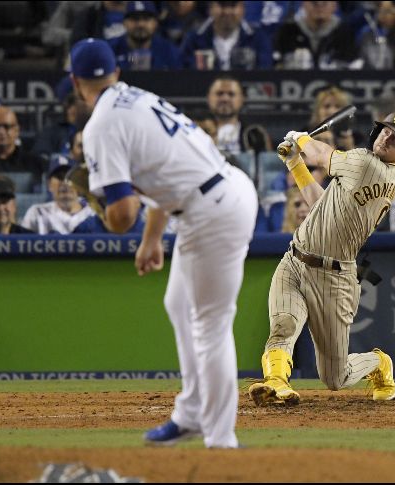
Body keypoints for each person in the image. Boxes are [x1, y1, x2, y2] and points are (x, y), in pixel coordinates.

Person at [69, 38, 257, 448]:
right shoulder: (134, 97)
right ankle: (190, 415)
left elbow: (122, 216)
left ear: (74, 81)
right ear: (115, 73)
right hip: (212, 196)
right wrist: (152, 240)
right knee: (179, 303)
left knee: (210, 324)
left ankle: (221, 439)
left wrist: (98, 204)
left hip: (211, 210)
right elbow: (160, 176)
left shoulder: (99, 124)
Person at [247, 110, 395, 406]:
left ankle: (379, 363)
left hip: (334, 278)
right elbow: (319, 204)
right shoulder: (367, 169)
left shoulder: (367, 165)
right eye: (385, 131)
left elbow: (321, 153)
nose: (387, 138)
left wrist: (299, 138)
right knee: (284, 324)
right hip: (295, 261)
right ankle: (275, 382)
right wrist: (294, 162)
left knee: (335, 377)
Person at [180, 1, 273, 70]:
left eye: (233, 5)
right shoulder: (194, 39)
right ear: (210, 9)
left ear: (243, 9)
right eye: (222, 5)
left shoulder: (258, 38)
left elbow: (265, 71)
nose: (227, 11)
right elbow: (183, 72)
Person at [20, 155, 97, 234]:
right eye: (60, 177)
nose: (64, 183)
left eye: (70, 177)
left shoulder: (94, 213)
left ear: (79, 183)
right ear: (49, 184)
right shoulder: (37, 213)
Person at [273, 1, 359, 69]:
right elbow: (277, 66)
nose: (319, 7)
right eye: (314, 2)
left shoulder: (344, 33)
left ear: (334, 6)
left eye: (324, 3)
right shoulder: (288, 31)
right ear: (304, 4)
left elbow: (351, 68)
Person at [205, 75, 271, 155]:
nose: (225, 99)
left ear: (242, 98)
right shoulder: (197, 131)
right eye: (219, 94)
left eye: (231, 94)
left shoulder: (254, 133)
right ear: (208, 97)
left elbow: (266, 165)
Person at [107, 1, 182, 71]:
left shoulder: (170, 51)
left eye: (146, 19)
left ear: (155, 23)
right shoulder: (110, 49)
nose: (140, 24)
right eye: (135, 19)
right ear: (124, 22)